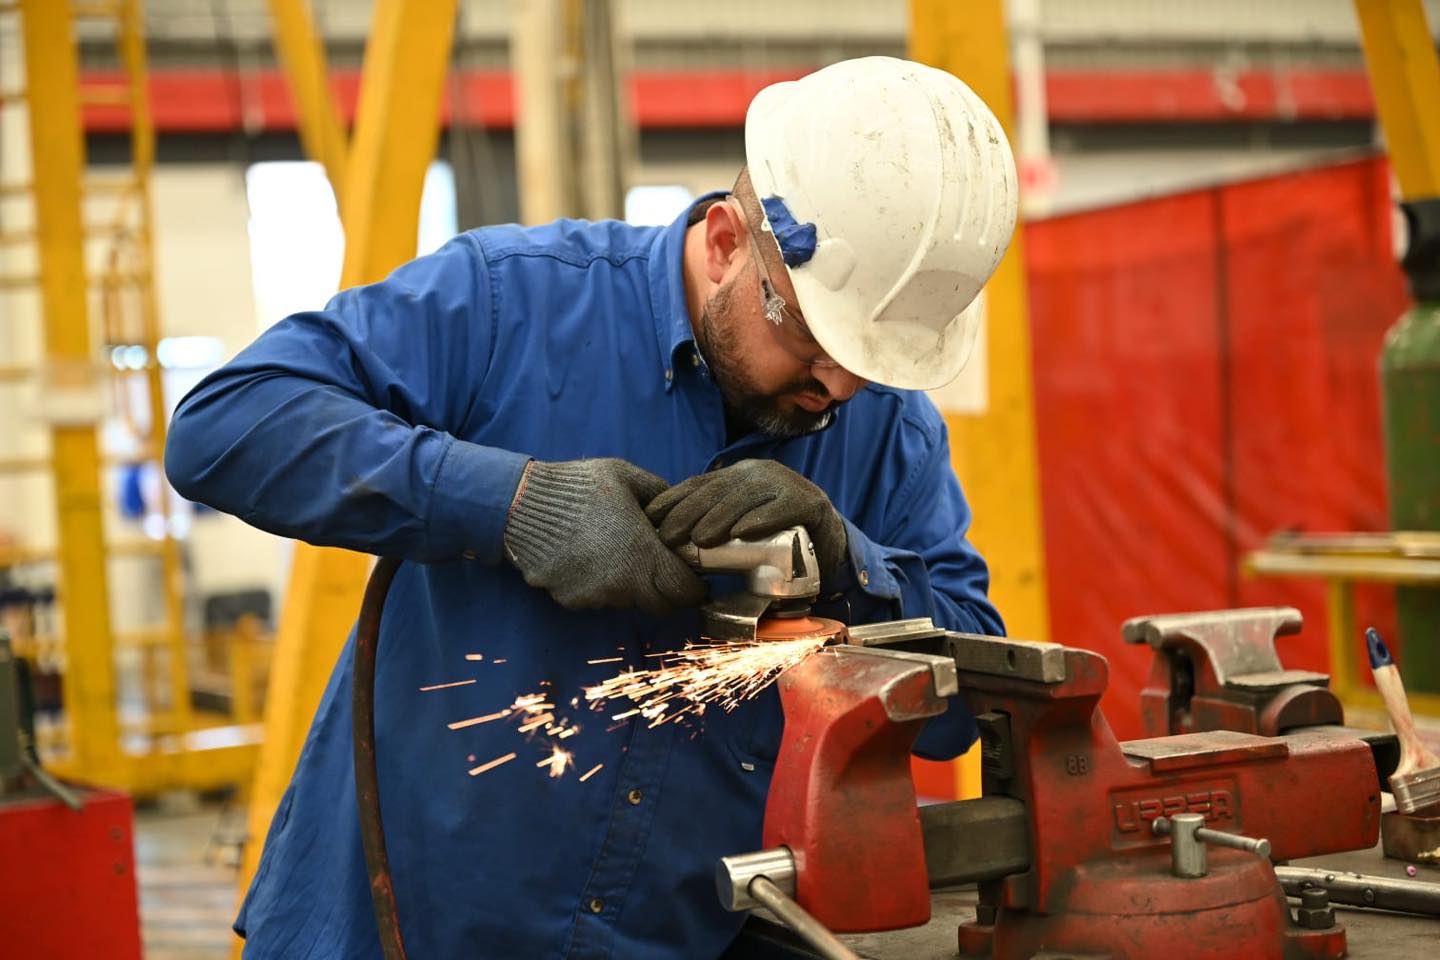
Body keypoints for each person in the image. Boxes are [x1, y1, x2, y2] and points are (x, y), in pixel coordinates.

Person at [165, 56, 1017, 960]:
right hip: (399, 926)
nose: (837, 386)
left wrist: (849, 566)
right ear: (727, 242)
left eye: (868, 361)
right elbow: (225, 427)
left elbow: (967, 705)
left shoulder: (889, 433)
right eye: (810, 336)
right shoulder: (513, 300)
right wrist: (511, 503)